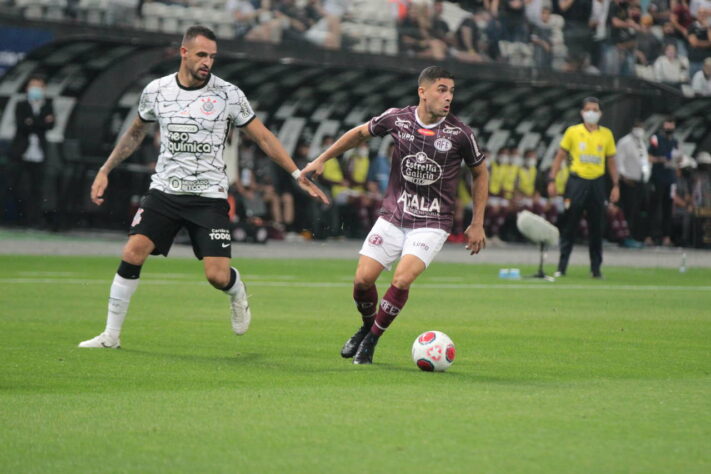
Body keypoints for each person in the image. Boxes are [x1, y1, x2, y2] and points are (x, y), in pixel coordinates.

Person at [78, 26, 327, 349]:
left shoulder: (228, 95)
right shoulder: (157, 91)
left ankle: (236, 290)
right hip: (165, 191)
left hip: (208, 197)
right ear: (184, 53)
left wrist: (296, 174)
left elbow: (263, 137)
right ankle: (111, 335)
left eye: (212, 56)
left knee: (216, 276)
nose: (207, 61)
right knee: (132, 251)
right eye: (201, 55)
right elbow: (135, 132)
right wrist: (105, 169)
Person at [299, 66, 488, 365]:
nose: (448, 97)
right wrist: (322, 159)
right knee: (362, 281)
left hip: (432, 222)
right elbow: (359, 133)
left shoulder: (460, 133)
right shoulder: (397, 118)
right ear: (422, 92)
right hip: (393, 216)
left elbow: (480, 173)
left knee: (401, 280)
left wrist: (477, 223)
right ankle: (366, 326)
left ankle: (372, 340)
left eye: (451, 91)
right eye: (441, 89)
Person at [547, 97, 620, 278]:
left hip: (597, 183)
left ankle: (596, 269)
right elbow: (560, 156)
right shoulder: (573, 132)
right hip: (576, 182)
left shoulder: (607, 134)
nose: (591, 113)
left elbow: (611, 161)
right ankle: (561, 267)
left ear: (600, 113)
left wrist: (616, 185)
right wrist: (552, 179)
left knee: (597, 227)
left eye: (595, 110)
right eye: (588, 109)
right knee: (569, 225)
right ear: (582, 112)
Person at [9, 75, 55, 227]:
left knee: (37, 188)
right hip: (20, 151)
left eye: (39, 86)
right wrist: (40, 122)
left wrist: (32, 122)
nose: (36, 90)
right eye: (33, 86)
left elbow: (50, 125)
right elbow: (22, 125)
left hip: (39, 153)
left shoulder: (48, 105)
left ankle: (33, 221)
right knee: (13, 185)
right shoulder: (21, 104)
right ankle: (11, 218)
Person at [615, 120, 649, 245]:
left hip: (640, 182)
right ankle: (625, 236)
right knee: (628, 210)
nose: (640, 130)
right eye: (638, 127)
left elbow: (644, 161)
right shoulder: (624, 142)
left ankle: (634, 235)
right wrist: (624, 177)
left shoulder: (641, 143)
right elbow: (619, 161)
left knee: (637, 211)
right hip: (628, 182)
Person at [647, 117, 679, 247]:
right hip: (658, 177)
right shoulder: (656, 139)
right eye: (667, 125)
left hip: (670, 179)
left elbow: (676, 158)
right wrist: (661, 159)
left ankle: (666, 236)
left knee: (668, 208)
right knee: (654, 207)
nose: (669, 128)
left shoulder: (675, 142)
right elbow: (648, 157)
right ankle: (649, 235)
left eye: (671, 125)